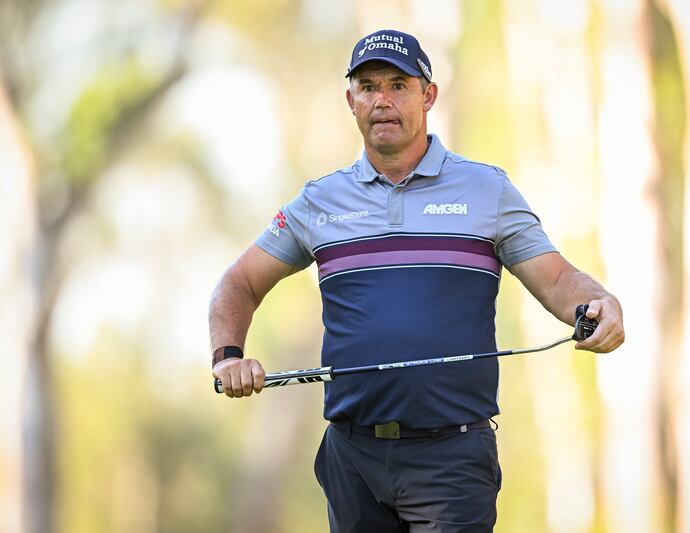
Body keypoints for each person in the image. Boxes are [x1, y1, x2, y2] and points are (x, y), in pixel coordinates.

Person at [209, 29, 624, 533]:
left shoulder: (486, 190)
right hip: (352, 458)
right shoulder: (319, 201)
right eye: (367, 86)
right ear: (350, 101)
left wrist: (598, 302)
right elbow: (239, 282)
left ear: (428, 95)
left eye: (398, 84)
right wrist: (229, 356)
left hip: (452, 460)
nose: (382, 100)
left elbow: (558, 280)